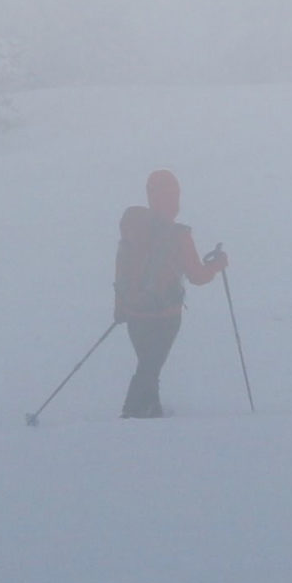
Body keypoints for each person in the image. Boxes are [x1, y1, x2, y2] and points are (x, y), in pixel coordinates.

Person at [114, 170, 227, 419]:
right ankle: (133, 412)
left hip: (135, 314)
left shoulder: (132, 229)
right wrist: (217, 265)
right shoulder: (179, 235)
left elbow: (122, 268)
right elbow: (197, 276)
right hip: (165, 314)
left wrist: (120, 306)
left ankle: (150, 410)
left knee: (148, 363)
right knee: (150, 367)